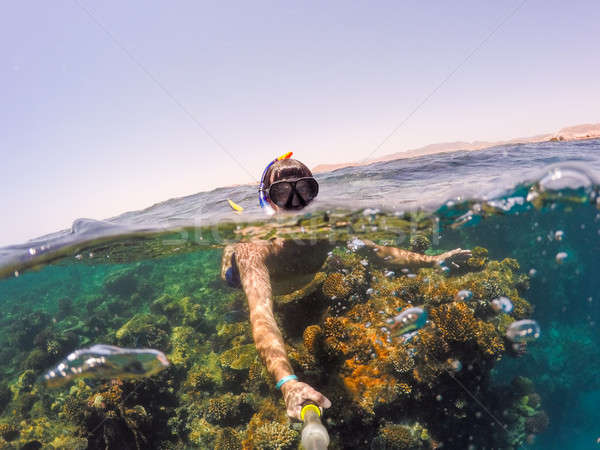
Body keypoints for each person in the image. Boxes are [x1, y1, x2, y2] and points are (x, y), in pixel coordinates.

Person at [221, 155, 471, 420]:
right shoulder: (254, 249)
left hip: (295, 279)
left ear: (314, 193)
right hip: (237, 276)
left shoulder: (330, 229)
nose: (297, 205)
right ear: (269, 200)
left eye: (304, 191)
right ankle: (237, 224)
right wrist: (288, 382)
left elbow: (379, 253)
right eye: (283, 194)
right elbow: (262, 315)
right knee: (235, 248)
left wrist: (433, 261)